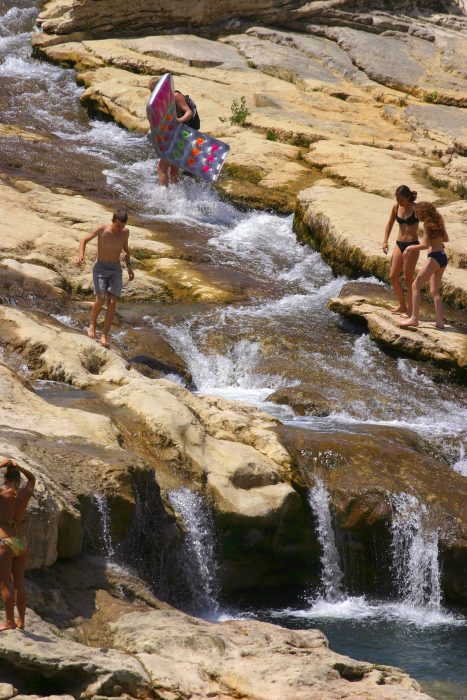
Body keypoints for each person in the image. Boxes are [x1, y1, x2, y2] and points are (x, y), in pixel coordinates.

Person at [76, 209, 134, 348]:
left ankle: (104, 335)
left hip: (115, 268)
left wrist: (129, 267)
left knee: (112, 302)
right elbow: (84, 240)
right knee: (100, 298)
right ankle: (92, 324)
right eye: (118, 225)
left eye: (123, 226)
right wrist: (81, 256)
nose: (120, 229)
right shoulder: (102, 230)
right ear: (113, 221)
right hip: (100, 268)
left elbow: (125, 250)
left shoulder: (125, 233)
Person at [399, 202, 449, 330]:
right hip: (443, 257)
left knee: (416, 285)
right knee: (434, 291)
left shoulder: (427, 225)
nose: (415, 214)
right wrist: (436, 240)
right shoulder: (439, 222)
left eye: (417, 212)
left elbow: (425, 245)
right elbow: (446, 239)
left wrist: (410, 248)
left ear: (422, 213)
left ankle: (414, 319)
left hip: (434, 257)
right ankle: (439, 322)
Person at [0, 458, 35, 631]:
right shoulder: (25, 494)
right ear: (19, 480)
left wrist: (1, 464)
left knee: (6, 584)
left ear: (5, 480)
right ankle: (21, 622)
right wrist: (20, 466)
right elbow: (32, 479)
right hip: (20, 542)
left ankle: (9, 621)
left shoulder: (2, 495)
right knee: (19, 584)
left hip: (3, 542)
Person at [148, 77, 200, 186]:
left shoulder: (176, 96)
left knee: (161, 168)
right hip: (173, 136)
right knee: (173, 166)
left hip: (182, 134)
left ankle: (164, 196)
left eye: (153, 91)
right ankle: (176, 192)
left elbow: (189, 112)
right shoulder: (160, 100)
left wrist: (179, 120)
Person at [382, 185, 420, 317]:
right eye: (397, 199)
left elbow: (429, 225)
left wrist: (435, 241)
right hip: (399, 244)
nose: (399, 202)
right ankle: (402, 306)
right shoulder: (396, 207)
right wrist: (385, 241)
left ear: (408, 197)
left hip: (412, 245)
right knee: (393, 276)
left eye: (401, 199)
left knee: (408, 278)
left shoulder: (416, 209)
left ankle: (411, 310)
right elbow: (390, 223)